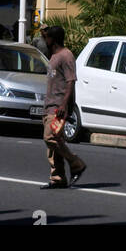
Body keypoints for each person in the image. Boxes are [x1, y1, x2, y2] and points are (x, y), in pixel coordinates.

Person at [40, 25, 86, 190]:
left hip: (58, 107)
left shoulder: (66, 56)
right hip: (49, 106)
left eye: (46, 38)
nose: (43, 40)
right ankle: (58, 178)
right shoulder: (54, 55)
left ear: (52, 40)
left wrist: (64, 105)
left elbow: (70, 82)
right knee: (53, 147)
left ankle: (76, 163)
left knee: (51, 137)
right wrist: (43, 30)